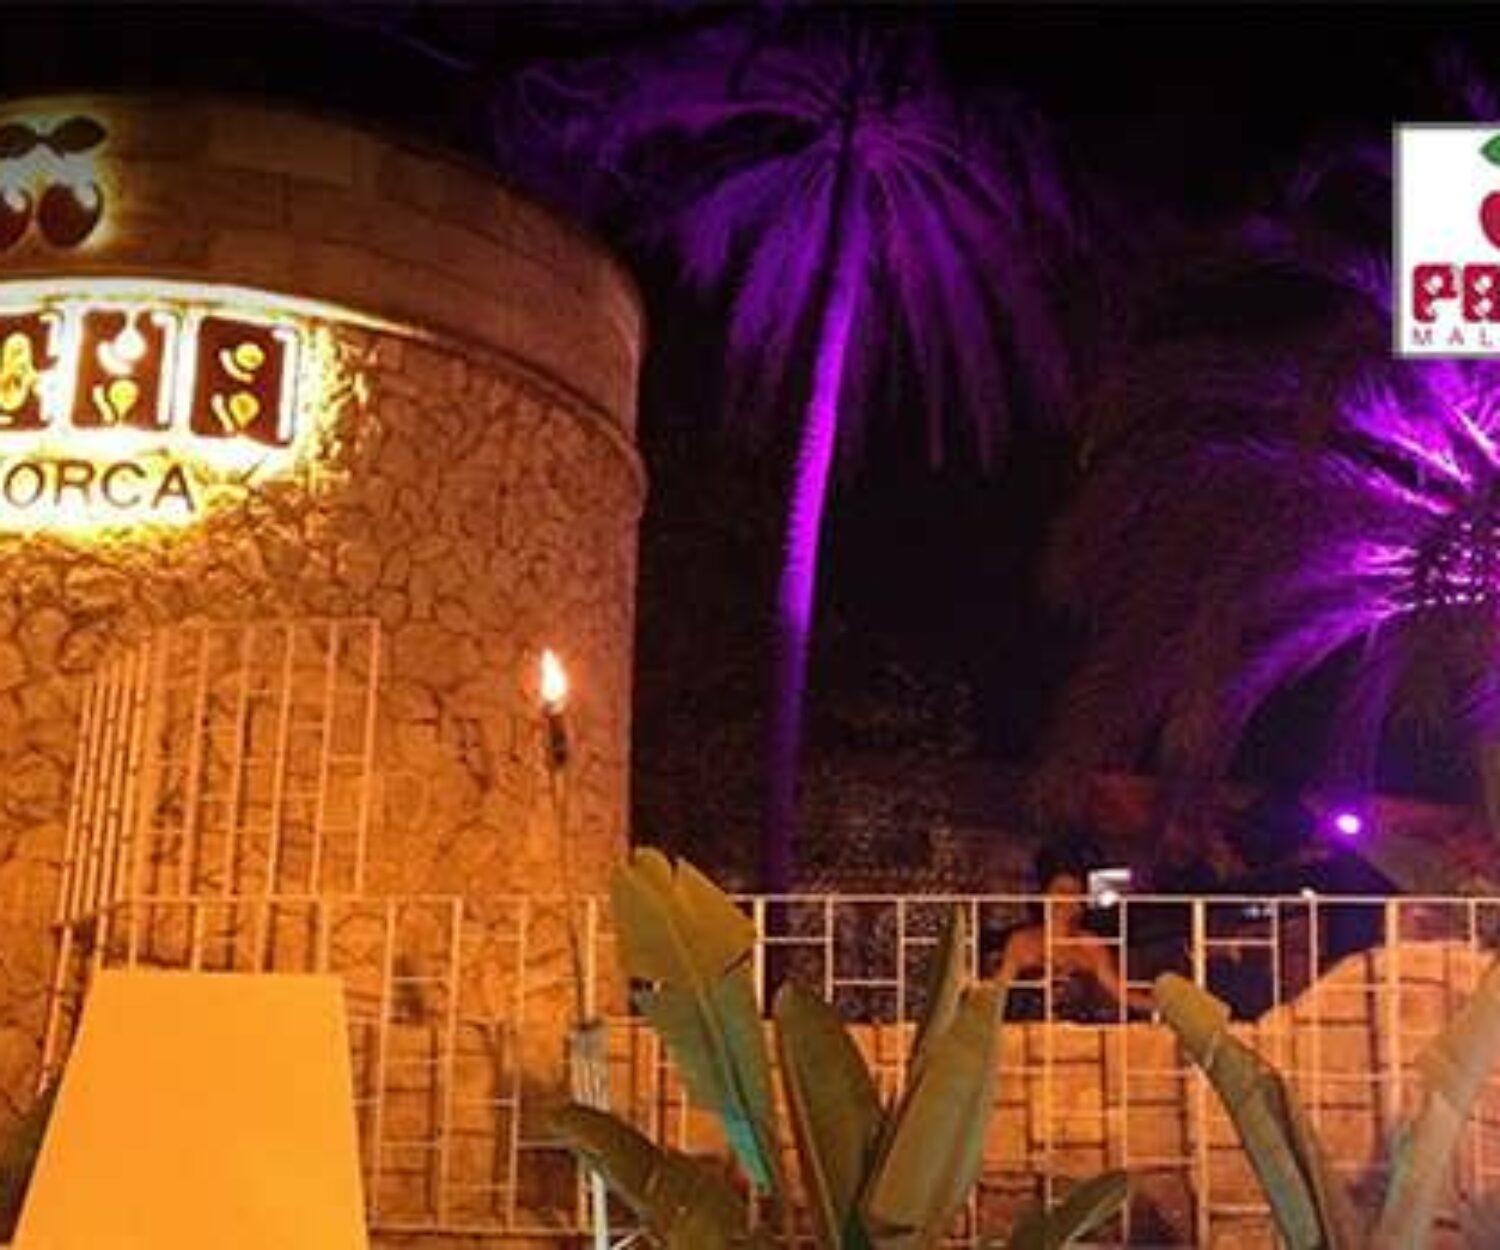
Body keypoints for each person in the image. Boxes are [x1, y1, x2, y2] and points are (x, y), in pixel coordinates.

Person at [990, 839, 1154, 1021]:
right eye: (1061, 891)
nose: (1067, 899)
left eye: (1074, 893)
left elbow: (1121, 994)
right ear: (1045, 896)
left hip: (1078, 1031)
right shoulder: (1021, 941)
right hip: (1030, 1030)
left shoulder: (1092, 946)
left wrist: (1161, 1006)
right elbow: (998, 990)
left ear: (1081, 903)